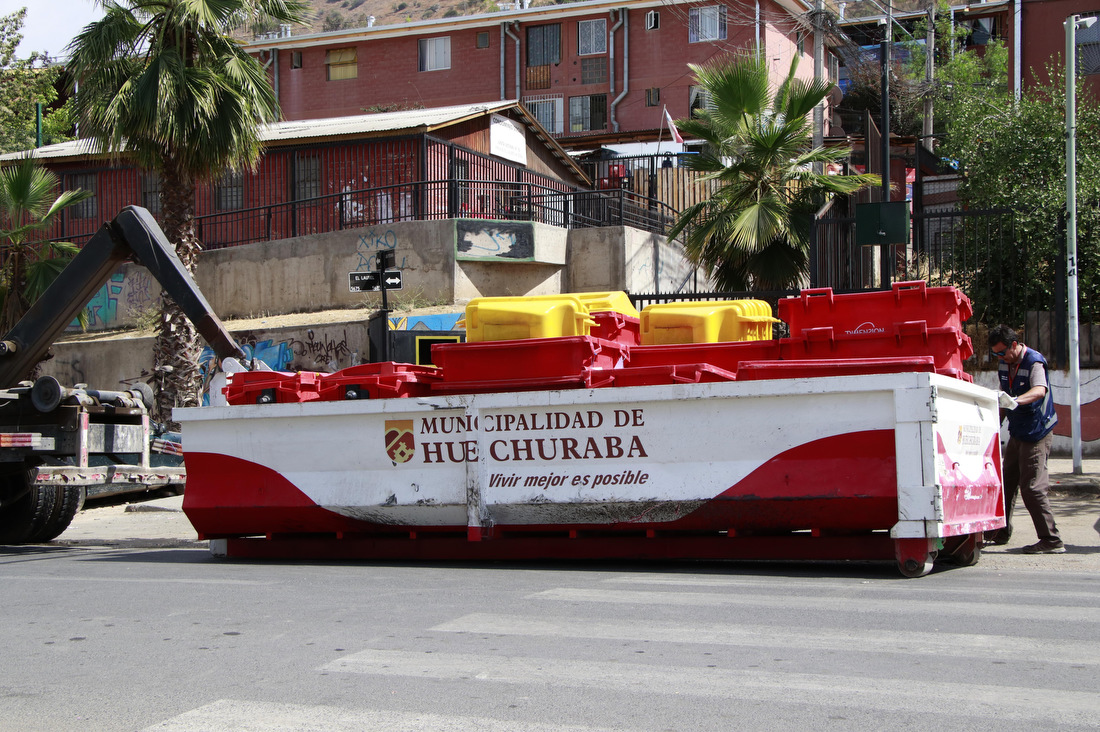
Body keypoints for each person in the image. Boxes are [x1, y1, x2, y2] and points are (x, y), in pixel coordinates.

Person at [985, 325, 1064, 554]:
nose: (1000, 358)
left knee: (1032, 488)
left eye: (1002, 353)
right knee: (1006, 482)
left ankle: (1051, 540)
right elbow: (1003, 397)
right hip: (1018, 431)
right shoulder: (1004, 364)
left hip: (1037, 432)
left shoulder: (1034, 361)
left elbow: (1040, 390)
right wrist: (994, 425)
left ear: (1014, 345)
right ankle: (1000, 532)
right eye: (996, 354)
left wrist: (1016, 401)